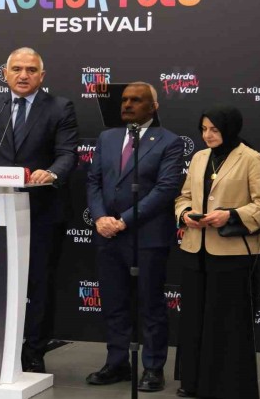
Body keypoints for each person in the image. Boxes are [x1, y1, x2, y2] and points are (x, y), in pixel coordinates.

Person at [0, 47, 79, 373]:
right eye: (16, 69)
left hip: (42, 210)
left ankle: (34, 350)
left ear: (42, 76)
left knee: (40, 283)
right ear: (5, 73)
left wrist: (52, 173)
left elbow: (67, 153)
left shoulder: (60, 107)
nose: (23, 75)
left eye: (31, 69)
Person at [85, 82, 183, 392]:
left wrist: (123, 221)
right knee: (114, 302)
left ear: (154, 107)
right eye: (125, 100)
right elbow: (94, 181)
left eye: (137, 100)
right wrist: (100, 217)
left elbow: (165, 190)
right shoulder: (108, 137)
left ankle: (153, 368)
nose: (127, 105)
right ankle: (117, 363)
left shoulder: (169, 141)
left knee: (150, 304)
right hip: (107, 235)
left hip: (146, 236)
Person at [174, 105, 260, 398]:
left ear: (230, 129)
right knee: (195, 319)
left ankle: (227, 386)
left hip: (233, 253)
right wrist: (185, 214)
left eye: (214, 129)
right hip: (196, 248)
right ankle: (194, 382)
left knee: (226, 320)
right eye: (203, 129)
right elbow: (183, 197)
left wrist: (230, 215)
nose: (208, 135)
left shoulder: (251, 159)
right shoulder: (198, 157)